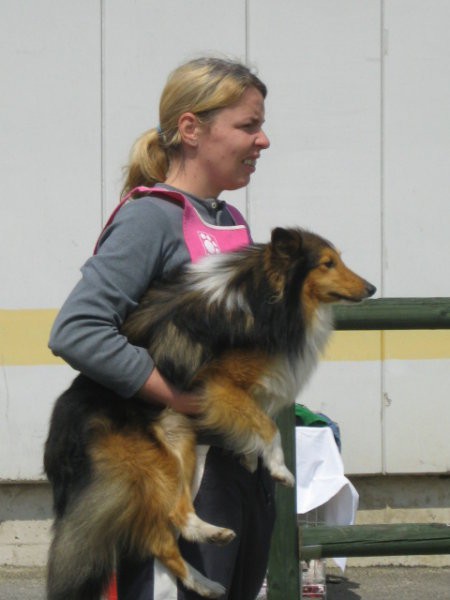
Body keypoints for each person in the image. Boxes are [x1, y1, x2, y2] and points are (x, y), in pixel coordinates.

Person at [49, 56, 273, 600]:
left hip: (232, 467)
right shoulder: (151, 217)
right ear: (191, 129)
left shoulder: (229, 219)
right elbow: (77, 329)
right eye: (248, 125)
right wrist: (180, 399)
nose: (263, 140)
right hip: (175, 472)